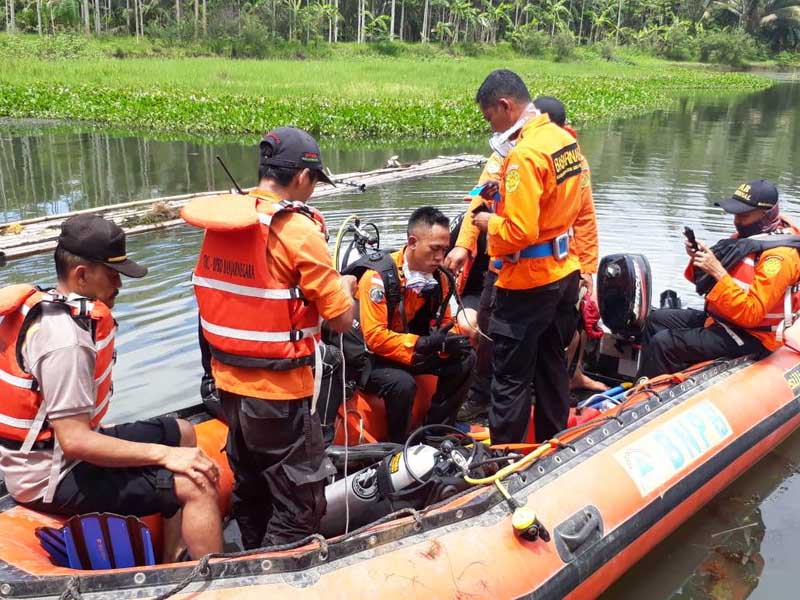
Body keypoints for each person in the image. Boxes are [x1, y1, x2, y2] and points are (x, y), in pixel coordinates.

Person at [0, 214, 223, 560]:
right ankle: (217, 585)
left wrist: (173, 448)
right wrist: (166, 455)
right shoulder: (64, 341)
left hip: (58, 457)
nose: (119, 283)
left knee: (183, 432)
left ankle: (172, 559)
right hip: (49, 476)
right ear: (82, 275)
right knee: (197, 483)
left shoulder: (59, 305)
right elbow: (73, 441)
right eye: (112, 273)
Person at [183, 127, 356, 549]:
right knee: (301, 505)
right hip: (278, 394)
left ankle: (251, 552)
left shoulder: (223, 224)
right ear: (302, 177)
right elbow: (340, 320)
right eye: (314, 181)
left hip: (228, 387)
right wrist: (347, 289)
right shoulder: (297, 230)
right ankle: (271, 572)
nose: (312, 190)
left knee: (251, 486)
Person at [471, 70, 585, 444]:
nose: (492, 125)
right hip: (564, 272)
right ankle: (555, 441)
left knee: (511, 376)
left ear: (505, 106)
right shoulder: (563, 140)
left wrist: (489, 223)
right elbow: (579, 207)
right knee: (552, 363)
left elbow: (520, 231)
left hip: (528, 281)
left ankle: (503, 455)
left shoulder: (525, 154)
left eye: (491, 116)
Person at [639, 180, 800, 378]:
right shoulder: (750, 237)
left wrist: (718, 272)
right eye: (735, 214)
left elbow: (752, 314)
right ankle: (645, 379)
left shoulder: (779, 257)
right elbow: (699, 282)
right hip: (725, 322)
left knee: (664, 343)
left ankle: (648, 397)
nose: (737, 221)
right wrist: (698, 258)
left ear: (765, 214)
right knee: (656, 320)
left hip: (754, 336)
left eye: (744, 215)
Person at [356, 207, 475, 443]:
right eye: (434, 249)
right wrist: (422, 343)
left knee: (466, 358)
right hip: (371, 358)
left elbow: (445, 320)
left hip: (411, 348)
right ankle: (397, 445)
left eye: (444, 249)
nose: (441, 257)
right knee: (402, 384)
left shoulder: (439, 278)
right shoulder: (378, 278)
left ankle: (436, 430)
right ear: (412, 242)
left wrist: (451, 339)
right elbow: (374, 337)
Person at [530, 96, 606, 394]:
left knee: (578, 317)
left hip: (564, 258)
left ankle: (573, 373)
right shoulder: (518, 152)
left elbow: (585, 217)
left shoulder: (575, 161)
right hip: (525, 259)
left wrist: (588, 269)